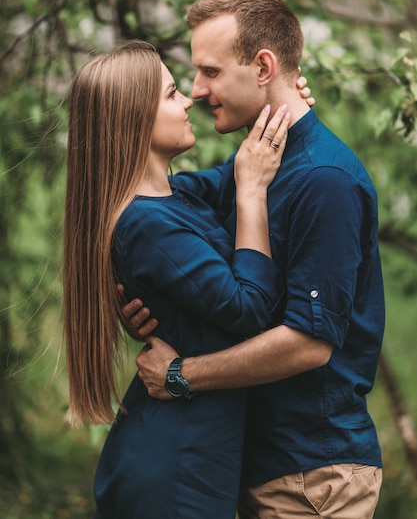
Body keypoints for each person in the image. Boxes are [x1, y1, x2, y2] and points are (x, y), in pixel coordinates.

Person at [126, 0, 385, 519]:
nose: (197, 90)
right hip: (260, 464)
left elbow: (309, 345)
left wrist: (181, 376)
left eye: (211, 71)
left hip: (315, 478)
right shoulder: (258, 164)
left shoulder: (324, 180)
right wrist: (139, 285)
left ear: (263, 66)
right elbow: (172, 205)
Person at [62, 38, 305, 518]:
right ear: (134, 120)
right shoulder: (147, 226)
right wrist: (251, 196)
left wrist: (278, 107)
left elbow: (235, 171)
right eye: (171, 94)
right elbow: (251, 309)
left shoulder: (174, 198)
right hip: (175, 467)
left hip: (195, 452)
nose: (189, 99)